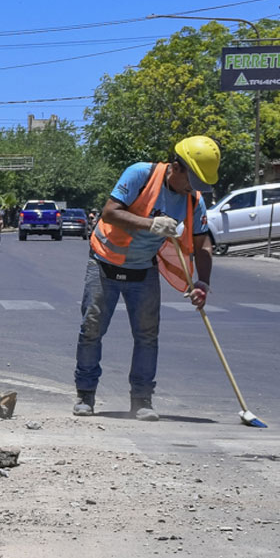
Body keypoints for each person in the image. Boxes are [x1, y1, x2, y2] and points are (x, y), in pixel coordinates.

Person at [72, 135, 220, 421]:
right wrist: (151, 224)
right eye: (191, 181)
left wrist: (203, 282)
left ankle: (142, 400)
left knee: (147, 336)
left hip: (143, 269)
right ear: (176, 167)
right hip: (104, 262)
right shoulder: (140, 174)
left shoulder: (194, 200)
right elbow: (109, 213)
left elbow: (202, 244)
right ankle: (85, 394)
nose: (192, 189)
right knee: (91, 330)